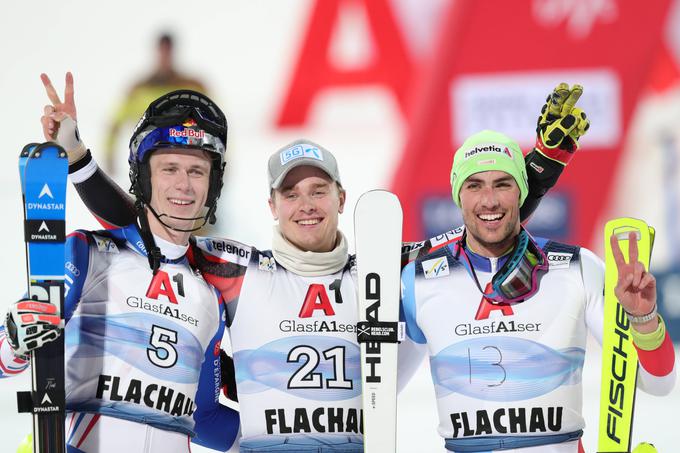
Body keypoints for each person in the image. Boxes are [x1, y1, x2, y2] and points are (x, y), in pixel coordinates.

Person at [28, 75, 585, 451]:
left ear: (342, 198)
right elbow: (152, 227)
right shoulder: (234, 271)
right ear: (271, 206)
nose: (306, 205)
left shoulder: (380, 278)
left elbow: (484, 226)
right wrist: (78, 161)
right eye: (290, 194)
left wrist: (542, 165)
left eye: (318, 190)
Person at [400, 129, 677, 452]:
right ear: (457, 195)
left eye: (503, 184)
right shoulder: (418, 282)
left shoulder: (577, 267)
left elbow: (658, 383)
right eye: (474, 185)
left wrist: (643, 317)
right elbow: (376, 395)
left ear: (521, 191)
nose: (489, 200)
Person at [1, 76, 239, 452]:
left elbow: (205, 419)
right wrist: (14, 340)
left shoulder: (209, 294)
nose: (184, 185)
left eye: (197, 171)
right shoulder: (88, 253)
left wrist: (302, 437)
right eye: (169, 169)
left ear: (213, 185)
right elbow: (6, 360)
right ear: (144, 177)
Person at [103, 33, 208, 174]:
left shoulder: (192, 86)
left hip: (187, 162)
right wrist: (109, 156)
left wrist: (222, 157)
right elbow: (115, 124)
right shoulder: (139, 89)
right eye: (162, 51)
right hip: (148, 163)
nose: (165, 56)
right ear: (157, 52)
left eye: (168, 51)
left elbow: (215, 123)